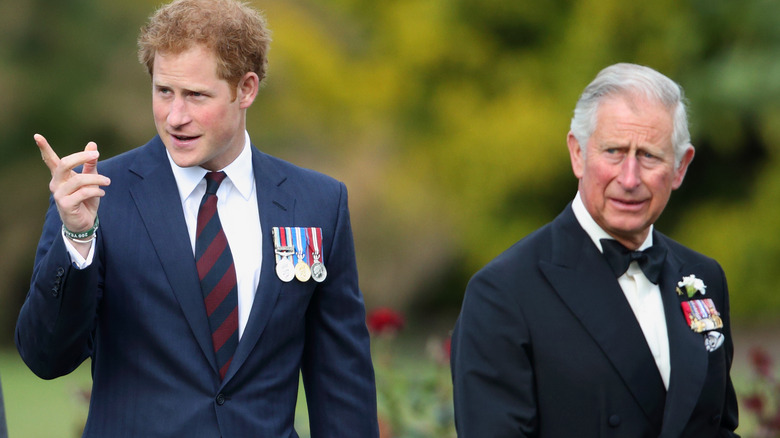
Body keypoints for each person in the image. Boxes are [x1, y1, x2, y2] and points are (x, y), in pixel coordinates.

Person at [16, 0, 378, 436]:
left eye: (196, 96)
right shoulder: (95, 195)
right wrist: (76, 238)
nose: (175, 116)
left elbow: (343, 385)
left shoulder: (318, 203)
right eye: (164, 91)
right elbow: (45, 356)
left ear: (246, 89)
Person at [451, 63, 739, 437]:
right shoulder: (503, 293)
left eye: (649, 156)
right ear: (577, 154)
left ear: (680, 168)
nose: (630, 178)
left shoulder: (704, 277)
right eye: (614, 152)